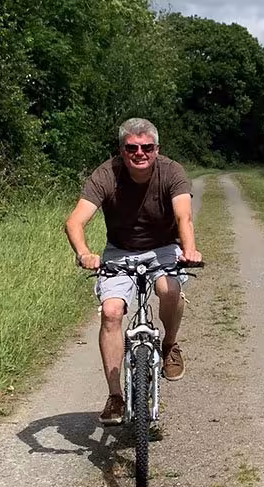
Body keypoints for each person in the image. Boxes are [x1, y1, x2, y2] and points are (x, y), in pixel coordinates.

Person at [64, 118, 202, 425]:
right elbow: (75, 221)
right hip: (119, 251)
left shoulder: (171, 172)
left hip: (163, 247)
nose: (139, 153)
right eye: (132, 148)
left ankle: (169, 345)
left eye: (147, 147)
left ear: (157, 149)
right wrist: (85, 253)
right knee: (111, 312)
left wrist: (189, 250)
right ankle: (115, 396)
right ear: (122, 150)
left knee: (169, 289)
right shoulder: (106, 174)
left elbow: (184, 216)